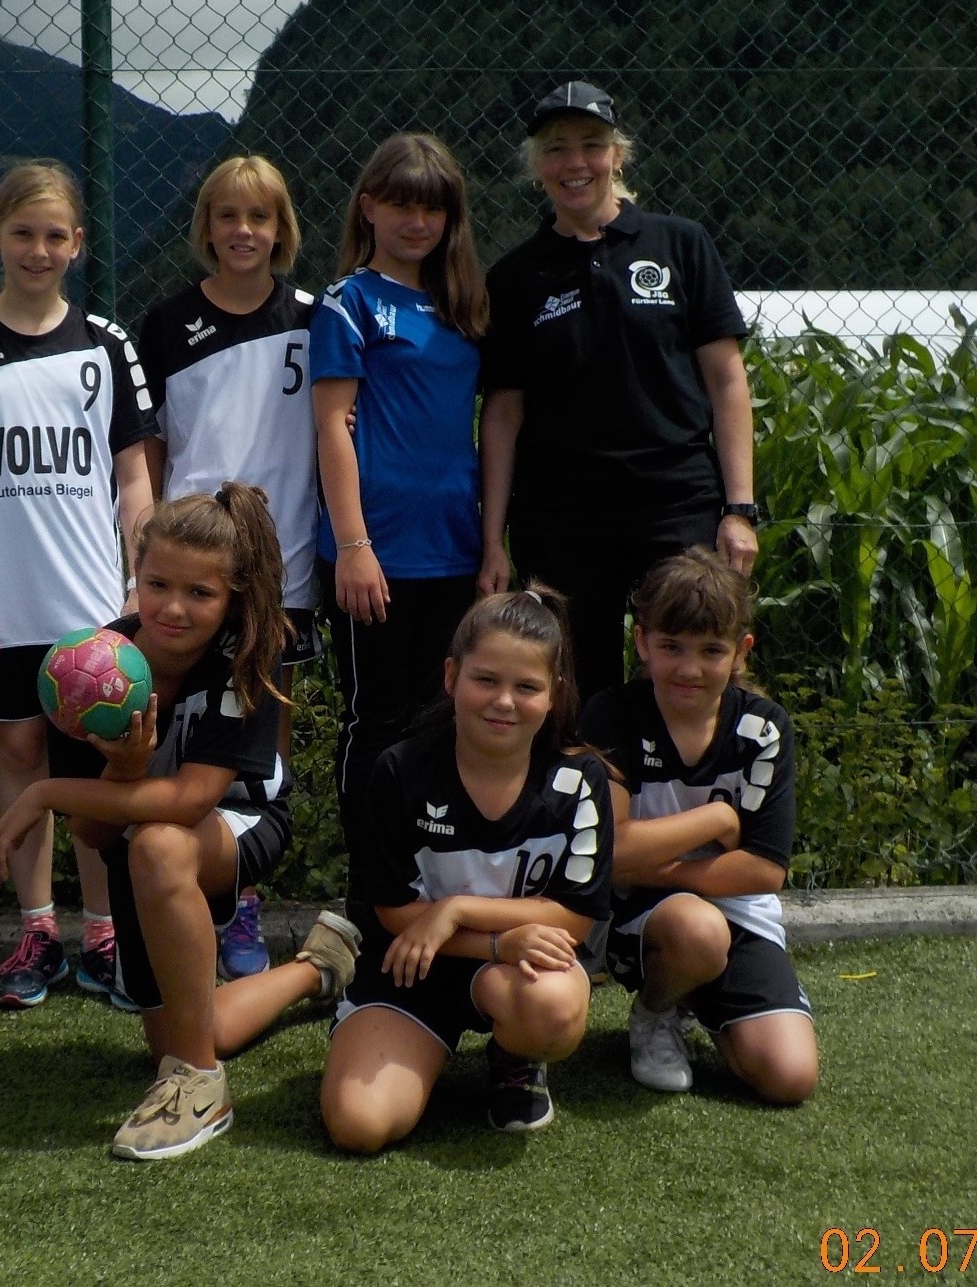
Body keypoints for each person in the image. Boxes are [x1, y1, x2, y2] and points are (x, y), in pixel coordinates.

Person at [0, 486, 362, 1161]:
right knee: (187, 1027)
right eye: (158, 584)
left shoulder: (246, 655)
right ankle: (318, 966)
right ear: (136, 573)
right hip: (137, 844)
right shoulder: (89, 670)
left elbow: (191, 801)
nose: (173, 607)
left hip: (242, 820)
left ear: (231, 597)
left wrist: (43, 791)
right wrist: (122, 768)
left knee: (161, 846)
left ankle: (200, 1087)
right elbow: (93, 835)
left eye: (200, 593)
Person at [0, 161, 157, 1010]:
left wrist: (138, 582)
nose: (38, 249)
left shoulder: (105, 343)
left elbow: (133, 476)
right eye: (22, 233)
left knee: (93, 764)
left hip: (92, 607)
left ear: (78, 244)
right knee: (19, 752)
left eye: (55, 235)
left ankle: (103, 930)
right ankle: (36, 929)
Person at [480, 81, 760, 707]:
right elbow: (502, 414)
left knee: (687, 674)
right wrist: (492, 538)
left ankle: (691, 774)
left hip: (675, 501)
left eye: (591, 145)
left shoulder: (680, 244)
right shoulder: (516, 276)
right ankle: (595, 776)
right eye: (556, 149)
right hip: (561, 517)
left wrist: (739, 509)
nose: (574, 163)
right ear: (537, 167)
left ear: (618, 155)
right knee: (578, 693)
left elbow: (726, 380)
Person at [321, 589, 610, 1152]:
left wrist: (455, 910)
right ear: (452, 676)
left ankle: (515, 1056)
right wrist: (497, 942)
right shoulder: (400, 770)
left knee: (553, 1006)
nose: (504, 701)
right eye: (486, 680)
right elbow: (393, 912)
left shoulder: (579, 781)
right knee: (359, 1126)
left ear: (554, 694)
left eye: (527, 687)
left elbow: (574, 918)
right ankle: (384, 1030)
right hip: (409, 969)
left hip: (512, 971)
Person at [308, 133, 499, 927]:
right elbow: (332, 425)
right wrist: (354, 545)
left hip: (454, 545)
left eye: (434, 207)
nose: (418, 221)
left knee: (438, 719)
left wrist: (491, 542)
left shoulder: (466, 307)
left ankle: (427, 883)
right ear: (368, 208)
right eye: (402, 205)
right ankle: (369, 895)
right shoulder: (348, 301)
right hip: (375, 552)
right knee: (376, 720)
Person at [138, 155, 319, 982]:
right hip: (191, 566)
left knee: (262, 729)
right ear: (206, 227)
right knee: (177, 726)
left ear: (282, 229)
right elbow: (149, 448)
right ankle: (168, 884)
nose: (243, 231)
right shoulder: (167, 322)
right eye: (227, 216)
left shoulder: (315, 318)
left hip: (286, 564)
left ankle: (239, 889)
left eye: (260, 217)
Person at [578, 547, 817, 1105]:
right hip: (634, 915)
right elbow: (608, 853)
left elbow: (764, 871)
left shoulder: (763, 729)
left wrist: (651, 867)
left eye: (711, 650)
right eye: (672, 647)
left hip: (728, 908)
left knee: (790, 1077)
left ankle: (701, 995)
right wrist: (716, 818)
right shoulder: (612, 714)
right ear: (642, 642)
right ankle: (656, 1009)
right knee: (699, 932)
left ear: (741, 651)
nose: (689, 669)